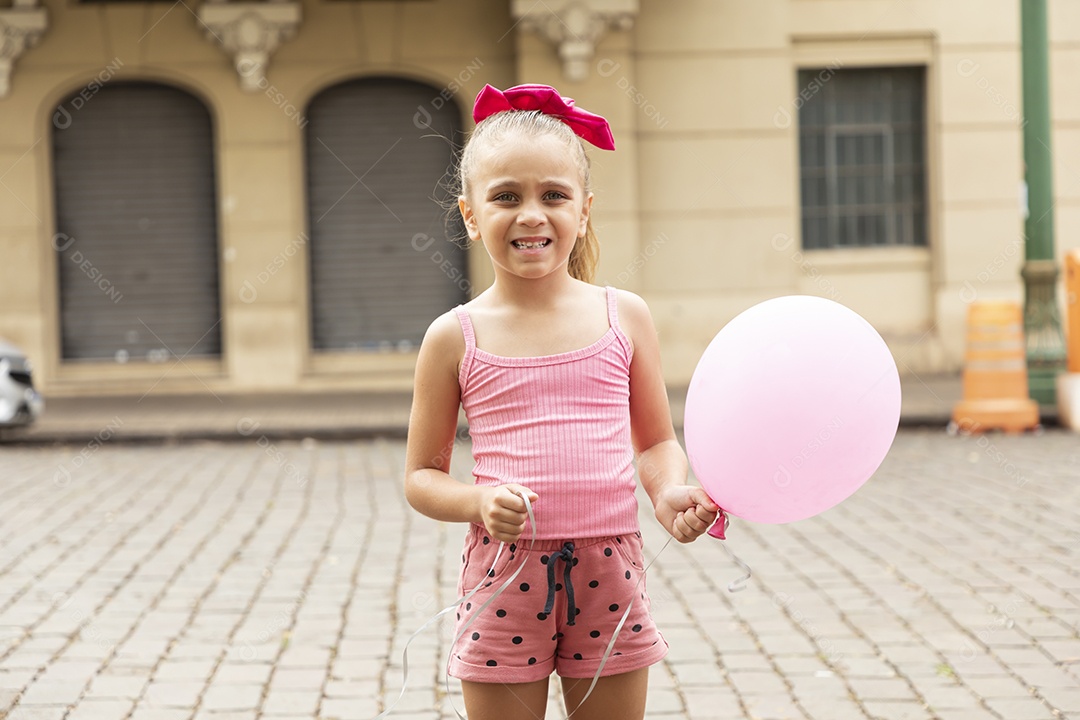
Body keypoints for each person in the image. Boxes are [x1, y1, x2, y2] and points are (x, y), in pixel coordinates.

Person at [403, 83, 720, 720]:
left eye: (553, 195)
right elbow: (420, 477)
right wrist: (478, 502)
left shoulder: (624, 317)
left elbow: (656, 441)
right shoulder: (453, 336)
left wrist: (666, 493)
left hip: (611, 571)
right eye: (506, 197)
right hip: (503, 576)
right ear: (470, 215)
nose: (531, 215)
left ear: (584, 210)